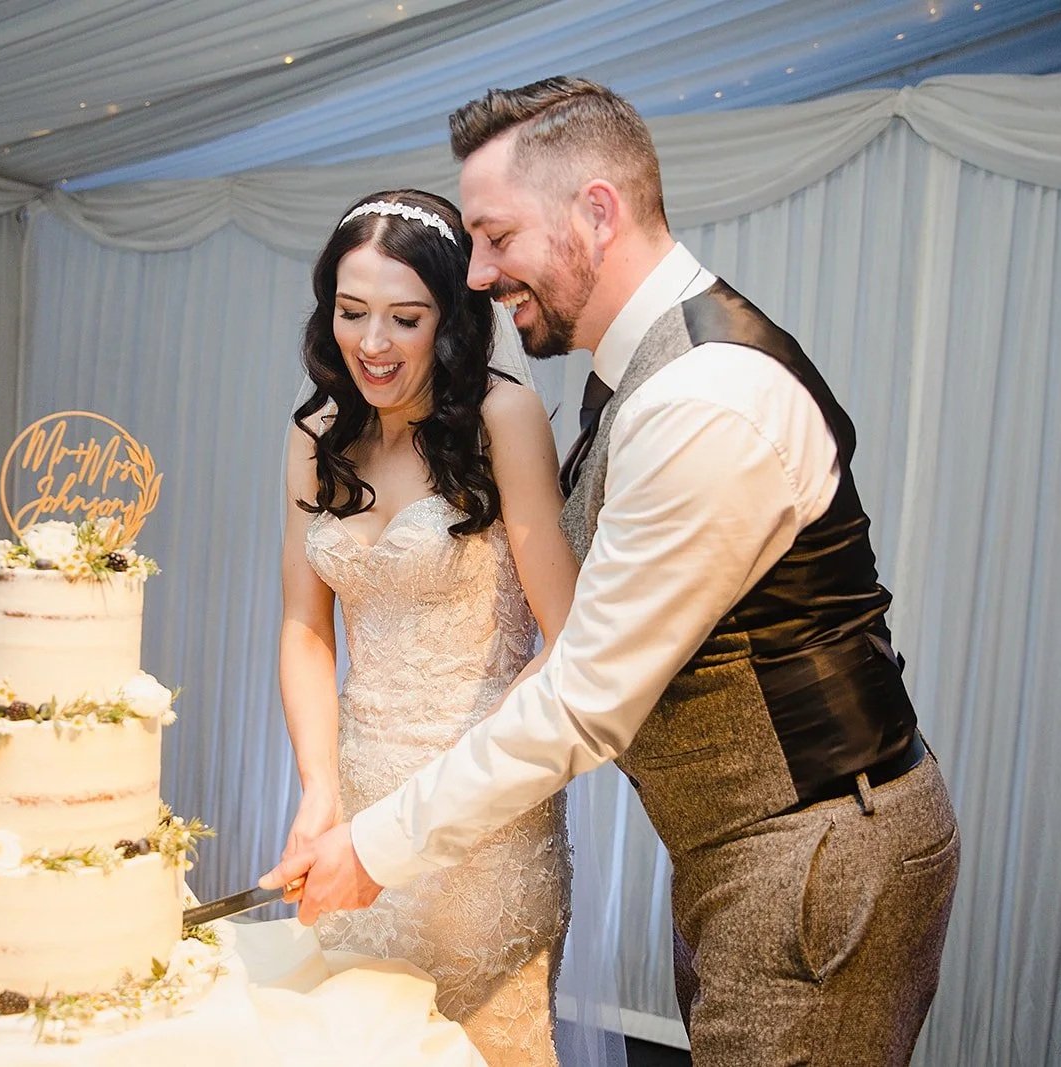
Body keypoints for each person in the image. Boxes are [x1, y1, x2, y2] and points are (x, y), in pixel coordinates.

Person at [263, 79, 962, 1064]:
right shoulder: (639, 370)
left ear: (596, 211)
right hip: (739, 845)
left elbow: (586, 692)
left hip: (811, 854)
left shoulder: (702, 399)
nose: (479, 274)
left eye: (497, 237)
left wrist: (376, 846)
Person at [276, 188, 580, 1065]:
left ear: (449, 318)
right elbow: (305, 626)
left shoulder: (501, 418)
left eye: (404, 319)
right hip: (354, 807)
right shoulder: (315, 434)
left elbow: (569, 641)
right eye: (351, 312)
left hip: (482, 819)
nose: (373, 343)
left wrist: (460, 793)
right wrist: (318, 788)